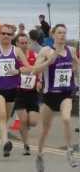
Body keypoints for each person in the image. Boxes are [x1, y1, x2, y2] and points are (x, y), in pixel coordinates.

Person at [33, 24, 79, 172]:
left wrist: (74, 69)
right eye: (59, 33)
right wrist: (49, 62)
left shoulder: (71, 50)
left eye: (64, 33)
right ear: (53, 35)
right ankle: (39, 155)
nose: (62, 35)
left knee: (66, 119)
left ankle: (69, 152)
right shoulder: (46, 51)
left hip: (66, 94)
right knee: (45, 130)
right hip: (49, 96)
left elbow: (76, 66)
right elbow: (35, 70)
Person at [0, 24, 31, 157]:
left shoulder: (17, 51)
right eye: (3, 33)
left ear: (12, 36)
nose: (6, 36)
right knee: (2, 115)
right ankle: (6, 143)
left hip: (12, 90)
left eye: (9, 34)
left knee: (5, 117)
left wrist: (17, 71)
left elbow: (28, 67)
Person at [14, 33, 40, 155]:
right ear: (17, 44)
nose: (24, 45)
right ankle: (26, 145)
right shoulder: (14, 57)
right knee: (23, 120)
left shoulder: (35, 55)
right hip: (19, 93)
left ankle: (23, 128)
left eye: (26, 42)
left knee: (33, 122)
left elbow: (39, 70)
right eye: (22, 43)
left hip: (33, 92)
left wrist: (40, 81)